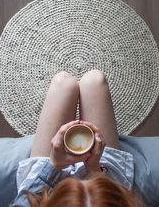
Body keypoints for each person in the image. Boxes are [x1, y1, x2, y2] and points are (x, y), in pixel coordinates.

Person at [12, 70, 145, 207]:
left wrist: (54, 165)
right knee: (94, 80)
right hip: (106, 185)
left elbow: (24, 201)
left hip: (44, 192)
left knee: (63, 82)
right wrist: (95, 170)